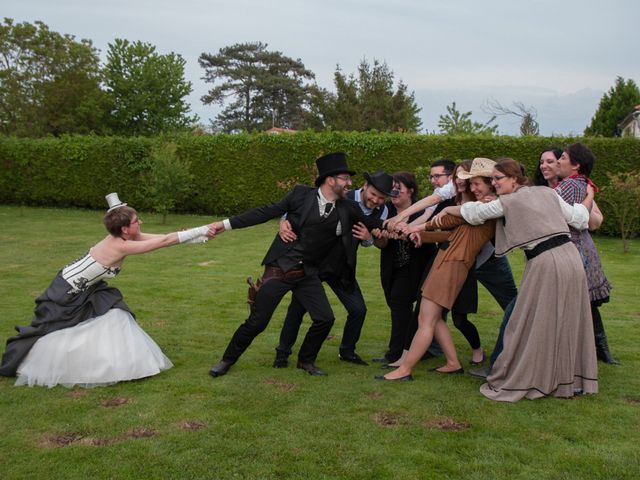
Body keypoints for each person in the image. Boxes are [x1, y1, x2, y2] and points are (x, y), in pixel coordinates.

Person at [0, 193, 216, 388]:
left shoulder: (125, 237)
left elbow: (162, 237)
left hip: (87, 287)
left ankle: (121, 364)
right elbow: (165, 241)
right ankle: (44, 361)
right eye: (136, 221)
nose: (140, 223)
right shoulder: (120, 245)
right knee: (53, 328)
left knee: (116, 314)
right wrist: (201, 229)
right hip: (66, 290)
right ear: (124, 229)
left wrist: (199, 238)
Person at [208, 152, 386, 378]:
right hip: (280, 269)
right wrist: (225, 224)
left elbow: (375, 222)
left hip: (308, 273)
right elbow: (265, 212)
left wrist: (406, 226)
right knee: (258, 322)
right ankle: (227, 360)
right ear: (330, 179)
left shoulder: (347, 207)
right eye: (345, 178)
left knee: (325, 319)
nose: (350, 183)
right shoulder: (301, 195)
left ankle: (306, 360)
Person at [436, 158, 598, 401]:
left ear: (514, 178)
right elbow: (580, 218)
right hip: (571, 259)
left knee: (531, 321)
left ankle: (534, 376)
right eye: (492, 179)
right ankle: (568, 379)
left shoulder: (510, 201)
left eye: (498, 179)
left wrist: (450, 209)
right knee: (561, 318)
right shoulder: (547, 192)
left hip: (546, 263)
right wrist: (589, 196)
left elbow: (476, 213)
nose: (494, 183)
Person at [272, 170, 397, 368]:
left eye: (381, 198)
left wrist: (369, 238)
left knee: (358, 310)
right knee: (297, 309)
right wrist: (282, 222)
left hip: (342, 267)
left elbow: (379, 241)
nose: (376, 201)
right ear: (364, 187)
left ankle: (347, 351)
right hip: (315, 263)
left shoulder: (382, 212)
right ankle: (282, 353)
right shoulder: (342, 195)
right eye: (373, 195)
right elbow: (303, 207)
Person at [556, 143, 617, 364]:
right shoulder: (580, 183)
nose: (558, 161)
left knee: (582, 302)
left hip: (575, 248)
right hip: (580, 247)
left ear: (576, 165)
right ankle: (599, 351)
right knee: (585, 303)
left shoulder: (571, 185)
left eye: (562, 157)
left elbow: (575, 218)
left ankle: (591, 351)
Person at [375, 172, 431, 365]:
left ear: (411, 191)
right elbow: (380, 244)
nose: (394, 192)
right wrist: (380, 236)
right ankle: (421, 348)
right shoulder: (385, 209)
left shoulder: (422, 211)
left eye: (399, 188)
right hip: (392, 268)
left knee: (400, 307)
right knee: (399, 307)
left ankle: (396, 353)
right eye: (392, 189)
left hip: (415, 267)